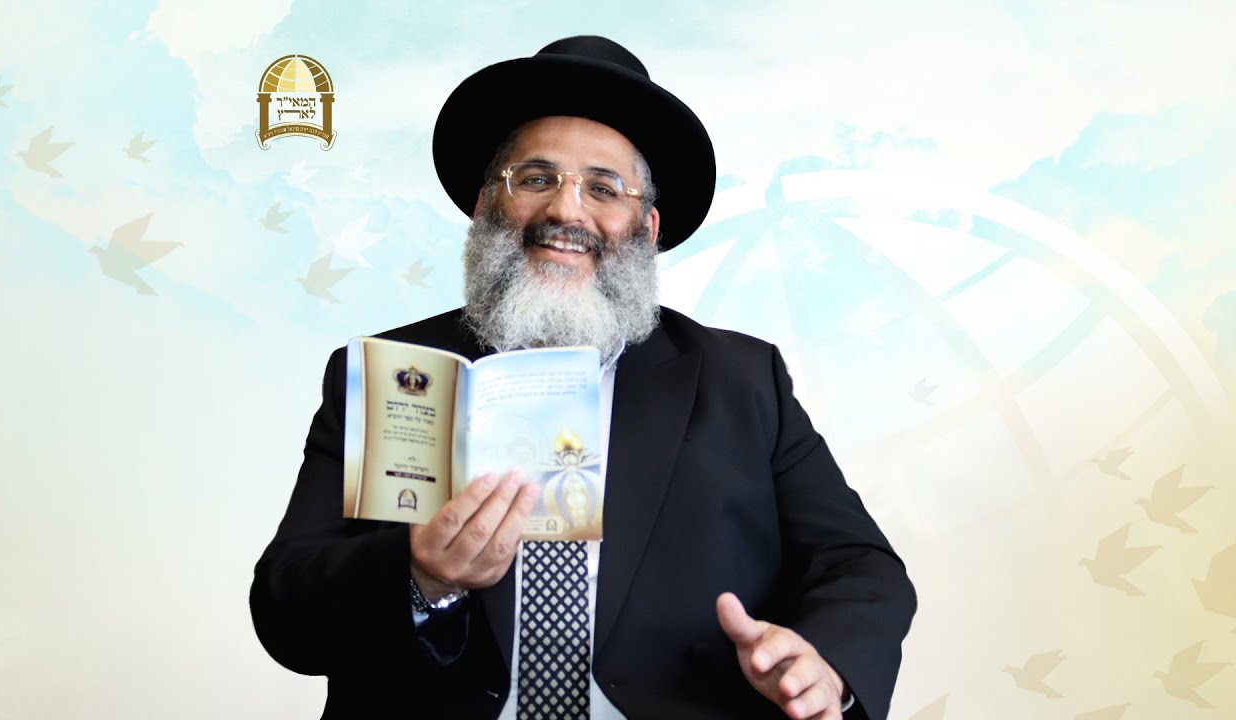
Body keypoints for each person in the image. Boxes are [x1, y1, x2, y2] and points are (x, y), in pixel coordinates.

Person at [251, 36, 916, 720]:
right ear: (484, 204)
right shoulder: (395, 371)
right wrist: (420, 574)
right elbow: (284, 608)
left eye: (603, 189)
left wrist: (825, 664)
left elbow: (860, 565)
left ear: (647, 228)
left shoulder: (742, 381)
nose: (566, 212)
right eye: (536, 179)